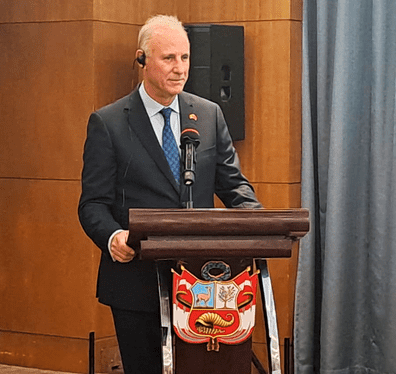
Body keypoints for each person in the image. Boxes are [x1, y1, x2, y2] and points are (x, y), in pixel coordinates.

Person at [78, 14, 261, 374]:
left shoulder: (209, 115)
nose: (180, 69)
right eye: (169, 59)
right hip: (137, 282)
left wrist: (257, 219)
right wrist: (113, 236)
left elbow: (233, 185)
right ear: (142, 59)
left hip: (205, 283)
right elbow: (93, 203)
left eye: (185, 58)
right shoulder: (109, 123)